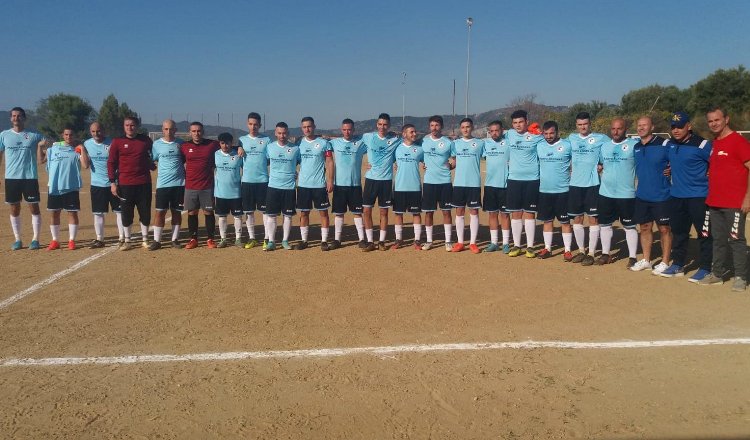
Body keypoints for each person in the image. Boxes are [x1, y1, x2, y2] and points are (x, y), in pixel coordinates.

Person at [698, 107, 750, 291]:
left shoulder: (738, 141)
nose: (713, 124)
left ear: (726, 119)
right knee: (718, 240)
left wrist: (748, 197)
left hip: (734, 203)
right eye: (710, 121)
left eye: (717, 120)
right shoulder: (715, 143)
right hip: (714, 201)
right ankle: (718, 274)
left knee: (736, 240)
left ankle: (741, 277)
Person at [660, 112, 713, 280]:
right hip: (676, 196)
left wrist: (711, 172)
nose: (676, 130)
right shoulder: (670, 144)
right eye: (673, 127)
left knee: (704, 234)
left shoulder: (703, 144)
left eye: (680, 127)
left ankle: (706, 267)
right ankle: (678, 265)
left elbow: (719, 164)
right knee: (679, 233)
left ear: (689, 126)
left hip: (699, 197)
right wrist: (669, 168)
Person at [0, 107, 47, 250]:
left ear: (24, 118)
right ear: (10, 118)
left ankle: (35, 239)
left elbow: (46, 148)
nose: (16, 118)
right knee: (14, 208)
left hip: (29, 177)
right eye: (14, 116)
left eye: (19, 116)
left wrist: (43, 148)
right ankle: (17, 239)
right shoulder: (4, 135)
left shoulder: (34, 135)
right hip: (11, 178)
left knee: (34, 207)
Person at [630, 116, 672, 274]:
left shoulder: (665, 144)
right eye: (639, 125)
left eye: (644, 125)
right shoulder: (636, 147)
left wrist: (672, 168)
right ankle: (646, 260)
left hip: (662, 195)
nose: (641, 128)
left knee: (664, 229)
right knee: (645, 228)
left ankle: (665, 261)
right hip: (642, 195)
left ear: (652, 127)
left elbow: (678, 160)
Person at [567, 112, 611, 265]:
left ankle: (591, 253)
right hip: (575, 184)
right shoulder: (571, 138)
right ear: (576, 125)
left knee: (593, 218)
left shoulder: (601, 138)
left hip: (592, 184)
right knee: (577, 219)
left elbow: (613, 149)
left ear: (590, 124)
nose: (582, 127)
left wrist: (602, 164)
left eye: (585, 124)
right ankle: (581, 250)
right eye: (580, 124)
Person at [597, 118, 639, 267]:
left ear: (625, 129)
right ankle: (605, 254)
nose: (616, 132)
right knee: (605, 225)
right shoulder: (604, 146)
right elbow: (600, 164)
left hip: (626, 194)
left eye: (619, 128)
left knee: (629, 226)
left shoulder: (634, 145)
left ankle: (632, 257)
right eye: (613, 129)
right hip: (606, 193)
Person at [107, 116, 153, 251]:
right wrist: (112, 182)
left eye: (132, 125)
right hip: (125, 184)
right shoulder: (117, 141)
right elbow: (111, 163)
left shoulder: (145, 140)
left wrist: (151, 164)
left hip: (144, 183)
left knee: (145, 212)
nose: (129, 127)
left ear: (137, 126)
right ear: (123, 126)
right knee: (127, 213)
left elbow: (152, 156)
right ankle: (127, 240)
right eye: (127, 125)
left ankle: (145, 239)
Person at [80, 122, 124, 248]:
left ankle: (122, 237)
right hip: (97, 185)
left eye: (98, 131)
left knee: (119, 212)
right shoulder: (87, 144)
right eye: (93, 131)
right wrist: (82, 150)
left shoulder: (113, 143)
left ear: (103, 130)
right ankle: (99, 238)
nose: (96, 134)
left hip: (114, 184)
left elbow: (120, 162)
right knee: (98, 213)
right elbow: (85, 165)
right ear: (90, 132)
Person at [505, 110, 543, 258]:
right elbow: (496, 135)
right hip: (514, 179)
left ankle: (530, 246)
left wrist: (539, 132)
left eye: (520, 122)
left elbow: (550, 142)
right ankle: (517, 245)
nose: (518, 125)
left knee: (529, 213)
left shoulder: (536, 136)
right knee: (516, 213)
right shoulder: (509, 134)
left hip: (532, 179)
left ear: (527, 121)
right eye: (515, 123)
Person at [361, 113, 401, 252]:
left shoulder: (395, 139)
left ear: (389, 126)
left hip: (386, 181)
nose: (382, 127)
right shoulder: (368, 137)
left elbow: (408, 141)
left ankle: (382, 241)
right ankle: (370, 241)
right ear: (376, 124)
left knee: (384, 212)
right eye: (380, 124)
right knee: (366, 210)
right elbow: (352, 143)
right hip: (371, 179)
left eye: (385, 124)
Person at [295, 117, 333, 251]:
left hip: (319, 185)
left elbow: (329, 162)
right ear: (302, 128)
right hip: (303, 185)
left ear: (314, 127)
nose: (307, 129)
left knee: (323, 213)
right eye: (304, 127)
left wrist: (330, 180)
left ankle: (324, 241)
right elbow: (294, 160)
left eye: (309, 126)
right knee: (304, 214)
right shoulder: (299, 144)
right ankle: (304, 240)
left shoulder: (324, 143)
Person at [535, 121, 573, 259]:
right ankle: (547, 248)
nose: (549, 136)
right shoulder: (539, 145)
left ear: (557, 132)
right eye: (546, 133)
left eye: (551, 133)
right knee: (547, 221)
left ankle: (567, 250)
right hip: (544, 191)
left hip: (563, 191)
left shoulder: (567, 145)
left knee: (565, 222)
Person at [46, 127, 87, 250]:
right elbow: (43, 162)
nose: (69, 137)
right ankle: (55, 240)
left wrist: (82, 149)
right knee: (54, 213)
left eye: (71, 134)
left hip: (71, 186)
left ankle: (71, 240)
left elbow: (85, 165)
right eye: (66, 134)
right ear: (62, 135)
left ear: (74, 136)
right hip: (54, 186)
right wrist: (39, 146)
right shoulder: (53, 148)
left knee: (72, 213)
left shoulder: (77, 150)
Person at [180, 122, 219, 249]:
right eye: (194, 131)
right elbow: (179, 161)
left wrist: (239, 147)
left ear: (203, 132)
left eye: (199, 131)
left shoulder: (212, 145)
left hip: (206, 185)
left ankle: (210, 239)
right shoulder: (184, 146)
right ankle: (193, 239)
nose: (196, 133)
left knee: (208, 212)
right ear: (190, 132)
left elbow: (227, 145)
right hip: (190, 186)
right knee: (192, 212)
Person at [330, 118, 367, 249]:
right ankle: (337, 239)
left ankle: (362, 239)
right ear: (341, 130)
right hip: (339, 184)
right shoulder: (334, 143)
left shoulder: (361, 143)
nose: (347, 132)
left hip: (355, 184)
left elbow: (375, 149)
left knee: (357, 213)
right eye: (344, 129)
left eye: (349, 129)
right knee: (339, 213)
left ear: (354, 130)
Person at [421, 115, 455, 251]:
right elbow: (417, 154)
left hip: (445, 182)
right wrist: (423, 163)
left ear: (441, 127)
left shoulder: (448, 142)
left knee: (446, 212)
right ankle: (429, 240)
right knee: (429, 213)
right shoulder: (424, 141)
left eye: (437, 125)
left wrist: (451, 166)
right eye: (432, 125)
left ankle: (448, 241)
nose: (434, 128)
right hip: (429, 182)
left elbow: (455, 158)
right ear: (429, 127)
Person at [149, 119, 185, 250]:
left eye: (171, 129)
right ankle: (157, 240)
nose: (168, 131)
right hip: (162, 185)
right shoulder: (156, 144)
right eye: (166, 129)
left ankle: (175, 239)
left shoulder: (181, 144)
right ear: (162, 130)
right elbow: (152, 161)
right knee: (160, 212)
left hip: (179, 184)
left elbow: (186, 160)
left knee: (177, 212)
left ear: (175, 130)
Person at [451, 118, 484, 253]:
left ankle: (472, 243)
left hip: (474, 183)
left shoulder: (480, 143)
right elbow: (453, 162)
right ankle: (460, 242)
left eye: (468, 127)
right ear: (460, 129)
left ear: (472, 127)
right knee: (459, 212)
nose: (465, 129)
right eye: (463, 127)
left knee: (474, 212)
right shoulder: (455, 144)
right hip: (459, 183)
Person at [264, 122, 300, 251]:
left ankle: (285, 241)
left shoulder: (295, 149)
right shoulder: (269, 147)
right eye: (279, 133)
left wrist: (297, 173)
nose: (282, 136)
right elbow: (262, 161)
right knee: (271, 216)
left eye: (284, 133)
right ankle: (271, 241)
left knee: (287, 216)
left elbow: (302, 162)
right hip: (273, 186)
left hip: (289, 187)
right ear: (275, 133)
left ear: (288, 133)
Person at [239, 112, 271, 249]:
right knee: (249, 211)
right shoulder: (241, 140)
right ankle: (252, 238)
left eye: (256, 124)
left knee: (266, 212)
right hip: (247, 181)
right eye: (251, 124)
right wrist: (238, 147)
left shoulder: (267, 140)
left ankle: (267, 238)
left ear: (260, 125)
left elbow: (270, 159)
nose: (253, 127)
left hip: (263, 181)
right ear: (247, 124)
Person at [391, 124, 424, 249]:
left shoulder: (420, 149)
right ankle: (398, 239)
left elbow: (428, 161)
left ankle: (417, 240)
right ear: (404, 134)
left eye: (415, 131)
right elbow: (387, 159)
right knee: (398, 214)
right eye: (411, 132)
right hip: (399, 187)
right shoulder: (397, 148)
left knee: (416, 214)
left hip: (415, 187)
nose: (414, 134)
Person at [482, 120, 511, 253]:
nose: (494, 133)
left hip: (505, 185)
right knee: (492, 214)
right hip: (490, 185)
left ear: (502, 130)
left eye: (497, 130)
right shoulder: (486, 144)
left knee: (505, 215)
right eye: (491, 131)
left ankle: (505, 243)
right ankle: (494, 242)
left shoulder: (508, 142)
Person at [214, 132, 244, 248]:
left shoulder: (238, 154)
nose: (225, 146)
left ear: (231, 143)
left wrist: (239, 147)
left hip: (235, 192)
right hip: (220, 193)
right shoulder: (215, 154)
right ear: (219, 143)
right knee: (222, 217)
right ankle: (223, 239)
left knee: (237, 216)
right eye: (222, 143)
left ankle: (238, 239)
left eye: (227, 143)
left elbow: (245, 167)